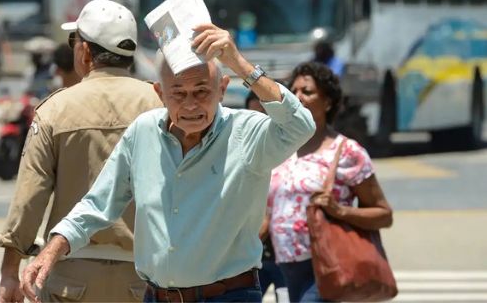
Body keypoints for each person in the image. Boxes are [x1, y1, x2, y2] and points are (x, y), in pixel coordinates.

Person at [20, 23, 316, 303]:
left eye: (201, 91)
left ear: (222, 89)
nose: (190, 105)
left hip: (228, 295)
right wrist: (51, 250)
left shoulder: (247, 132)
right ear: (160, 94)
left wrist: (239, 63)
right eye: (178, 94)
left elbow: (301, 125)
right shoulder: (143, 131)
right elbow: (98, 204)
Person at [0, 0, 163, 303]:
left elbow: (29, 198)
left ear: (85, 51)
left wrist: (9, 273)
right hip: (147, 276)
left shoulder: (55, 110)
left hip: (70, 275)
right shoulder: (161, 105)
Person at [267, 61, 393, 303]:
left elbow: (383, 214)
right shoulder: (280, 146)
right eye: (293, 91)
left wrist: (340, 211)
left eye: (307, 91)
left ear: (328, 102)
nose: (298, 97)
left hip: (323, 265)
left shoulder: (347, 152)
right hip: (282, 264)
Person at [245, 91, 287, 302]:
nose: (260, 121)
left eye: (265, 113)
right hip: (253, 259)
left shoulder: (293, 152)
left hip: (288, 258)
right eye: (254, 114)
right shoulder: (243, 155)